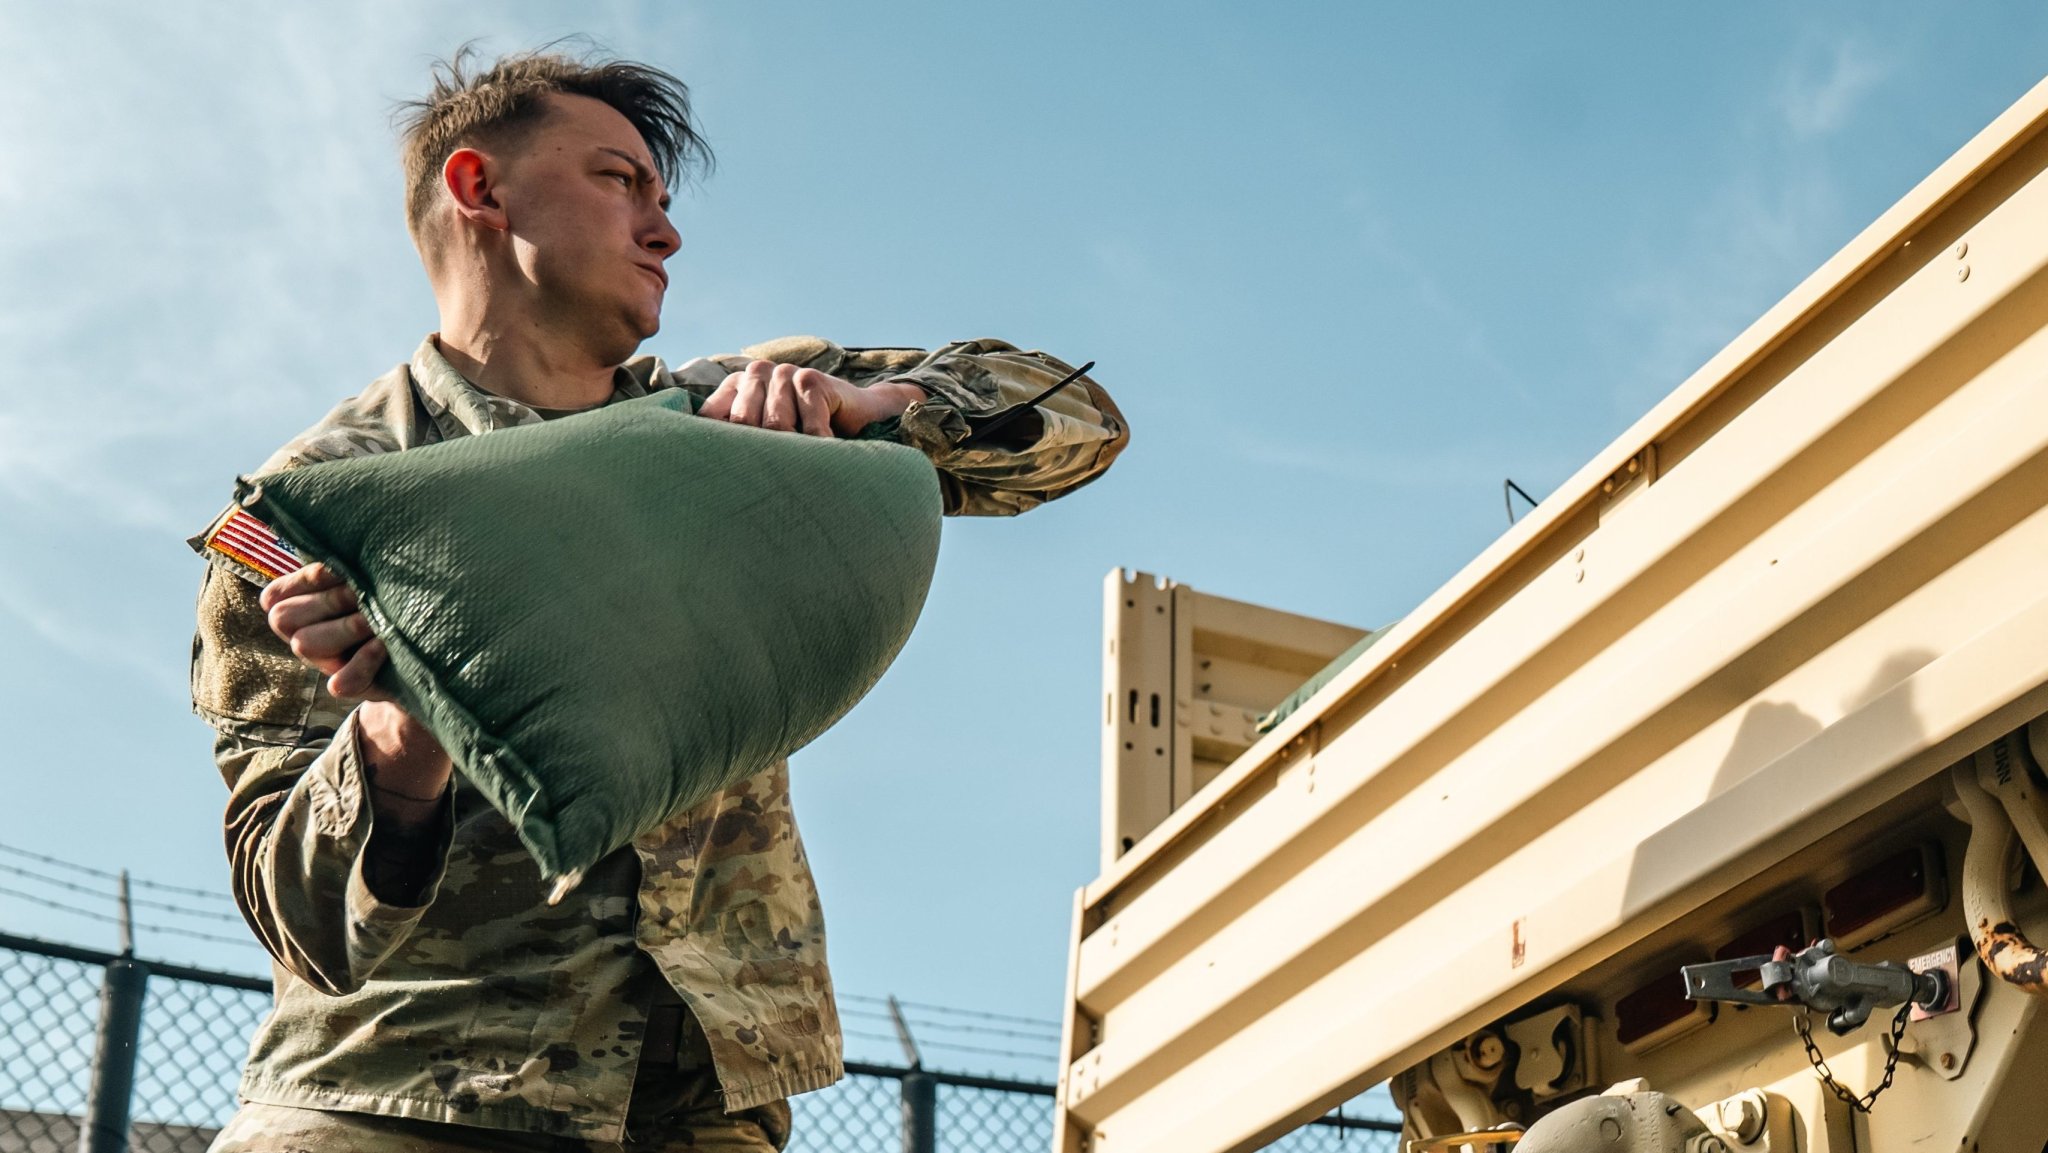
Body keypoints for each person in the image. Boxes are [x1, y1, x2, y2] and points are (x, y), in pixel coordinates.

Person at [189, 46, 1127, 1152]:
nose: (665, 230)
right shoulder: (315, 510)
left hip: (699, 1112)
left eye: (662, 195)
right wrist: (404, 725)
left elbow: (1077, 423)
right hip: (401, 1102)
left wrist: (870, 407)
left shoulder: (726, 418)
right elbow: (296, 917)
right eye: (616, 180)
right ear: (478, 189)